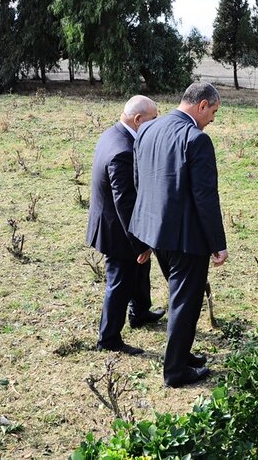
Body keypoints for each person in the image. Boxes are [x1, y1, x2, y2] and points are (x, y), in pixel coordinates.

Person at [130, 82, 228, 388]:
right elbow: (205, 196)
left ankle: (182, 353)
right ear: (201, 105)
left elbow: (139, 179)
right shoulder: (197, 140)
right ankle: (175, 371)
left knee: (179, 297)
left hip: (156, 231)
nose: (213, 118)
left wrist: (145, 232)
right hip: (186, 238)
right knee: (185, 301)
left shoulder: (147, 129)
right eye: (213, 111)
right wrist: (218, 243)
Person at [87, 95, 165, 356]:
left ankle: (140, 312)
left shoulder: (114, 134)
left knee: (140, 271)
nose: (157, 124)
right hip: (118, 230)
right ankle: (108, 338)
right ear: (138, 119)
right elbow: (125, 201)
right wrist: (140, 242)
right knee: (119, 281)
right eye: (154, 119)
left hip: (116, 222)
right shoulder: (123, 150)